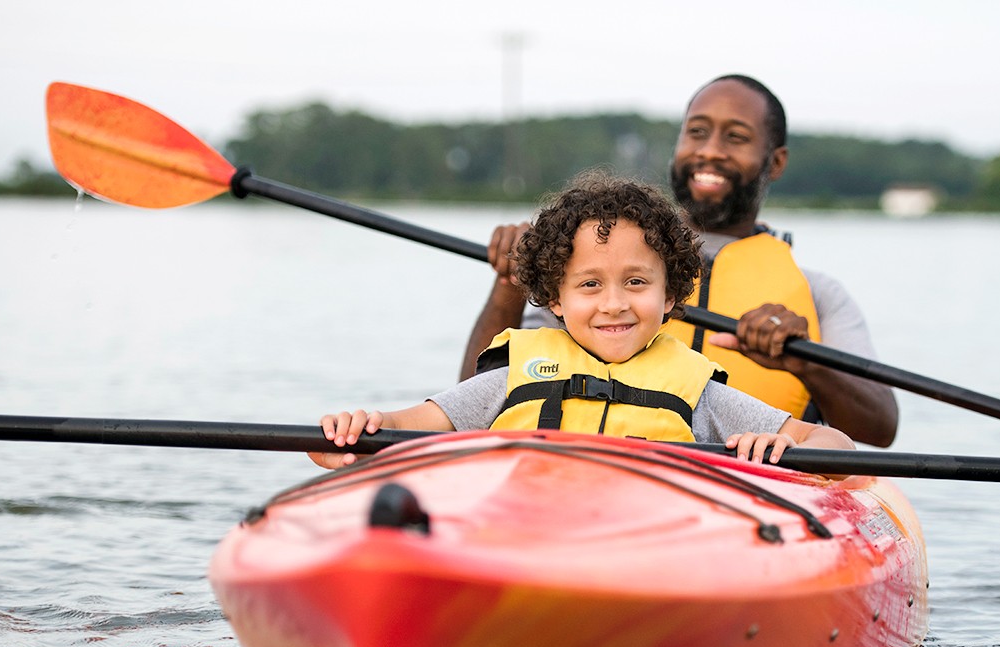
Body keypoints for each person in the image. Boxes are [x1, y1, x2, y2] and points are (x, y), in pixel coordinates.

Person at [459, 74, 899, 448]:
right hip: (597, 472)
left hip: (755, 488)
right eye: (697, 132)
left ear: (776, 161)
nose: (710, 151)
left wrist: (804, 360)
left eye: (737, 138)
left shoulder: (819, 295)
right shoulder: (587, 269)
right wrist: (513, 280)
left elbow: (880, 428)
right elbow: (475, 399)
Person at [312, 173, 855, 470]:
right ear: (552, 297)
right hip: (518, 537)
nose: (613, 304)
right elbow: (406, 427)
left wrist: (788, 448)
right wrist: (357, 430)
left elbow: (836, 449)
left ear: (671, 296)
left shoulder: (699, 395)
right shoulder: (509, 380)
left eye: (636, 283)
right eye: (589, 285)